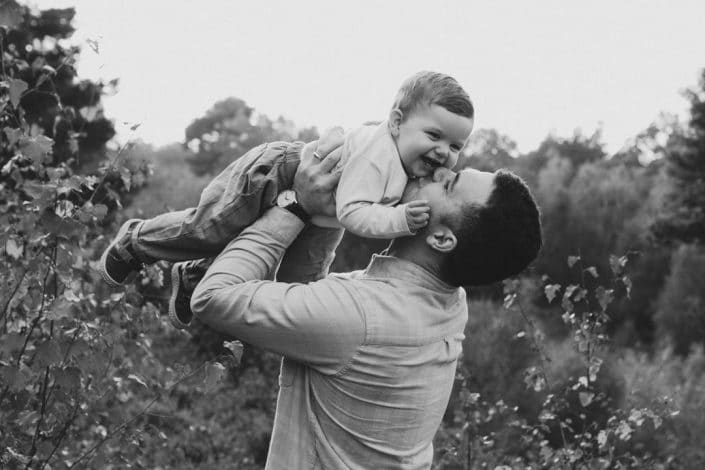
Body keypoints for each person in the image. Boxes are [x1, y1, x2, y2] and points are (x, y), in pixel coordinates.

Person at [189, 136, 542, 469]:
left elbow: (212, 297)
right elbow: (305, 297)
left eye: (449, 184)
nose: (439, 170)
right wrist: (332, 209)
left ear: (441, 239)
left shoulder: (363, 316)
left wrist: (294, 204)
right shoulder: (448, 300)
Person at [97, 71, 475, 328]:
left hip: (323, 217)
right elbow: (355, 213)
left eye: (455, 145)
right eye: (434, 135)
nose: (444, 152)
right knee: (212, 227)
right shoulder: (379, 158)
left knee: (302, 290)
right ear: (395, 122)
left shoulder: (415, 165)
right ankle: (136, 241)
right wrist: (401, 220)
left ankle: (195, 274)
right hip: (278, 173)